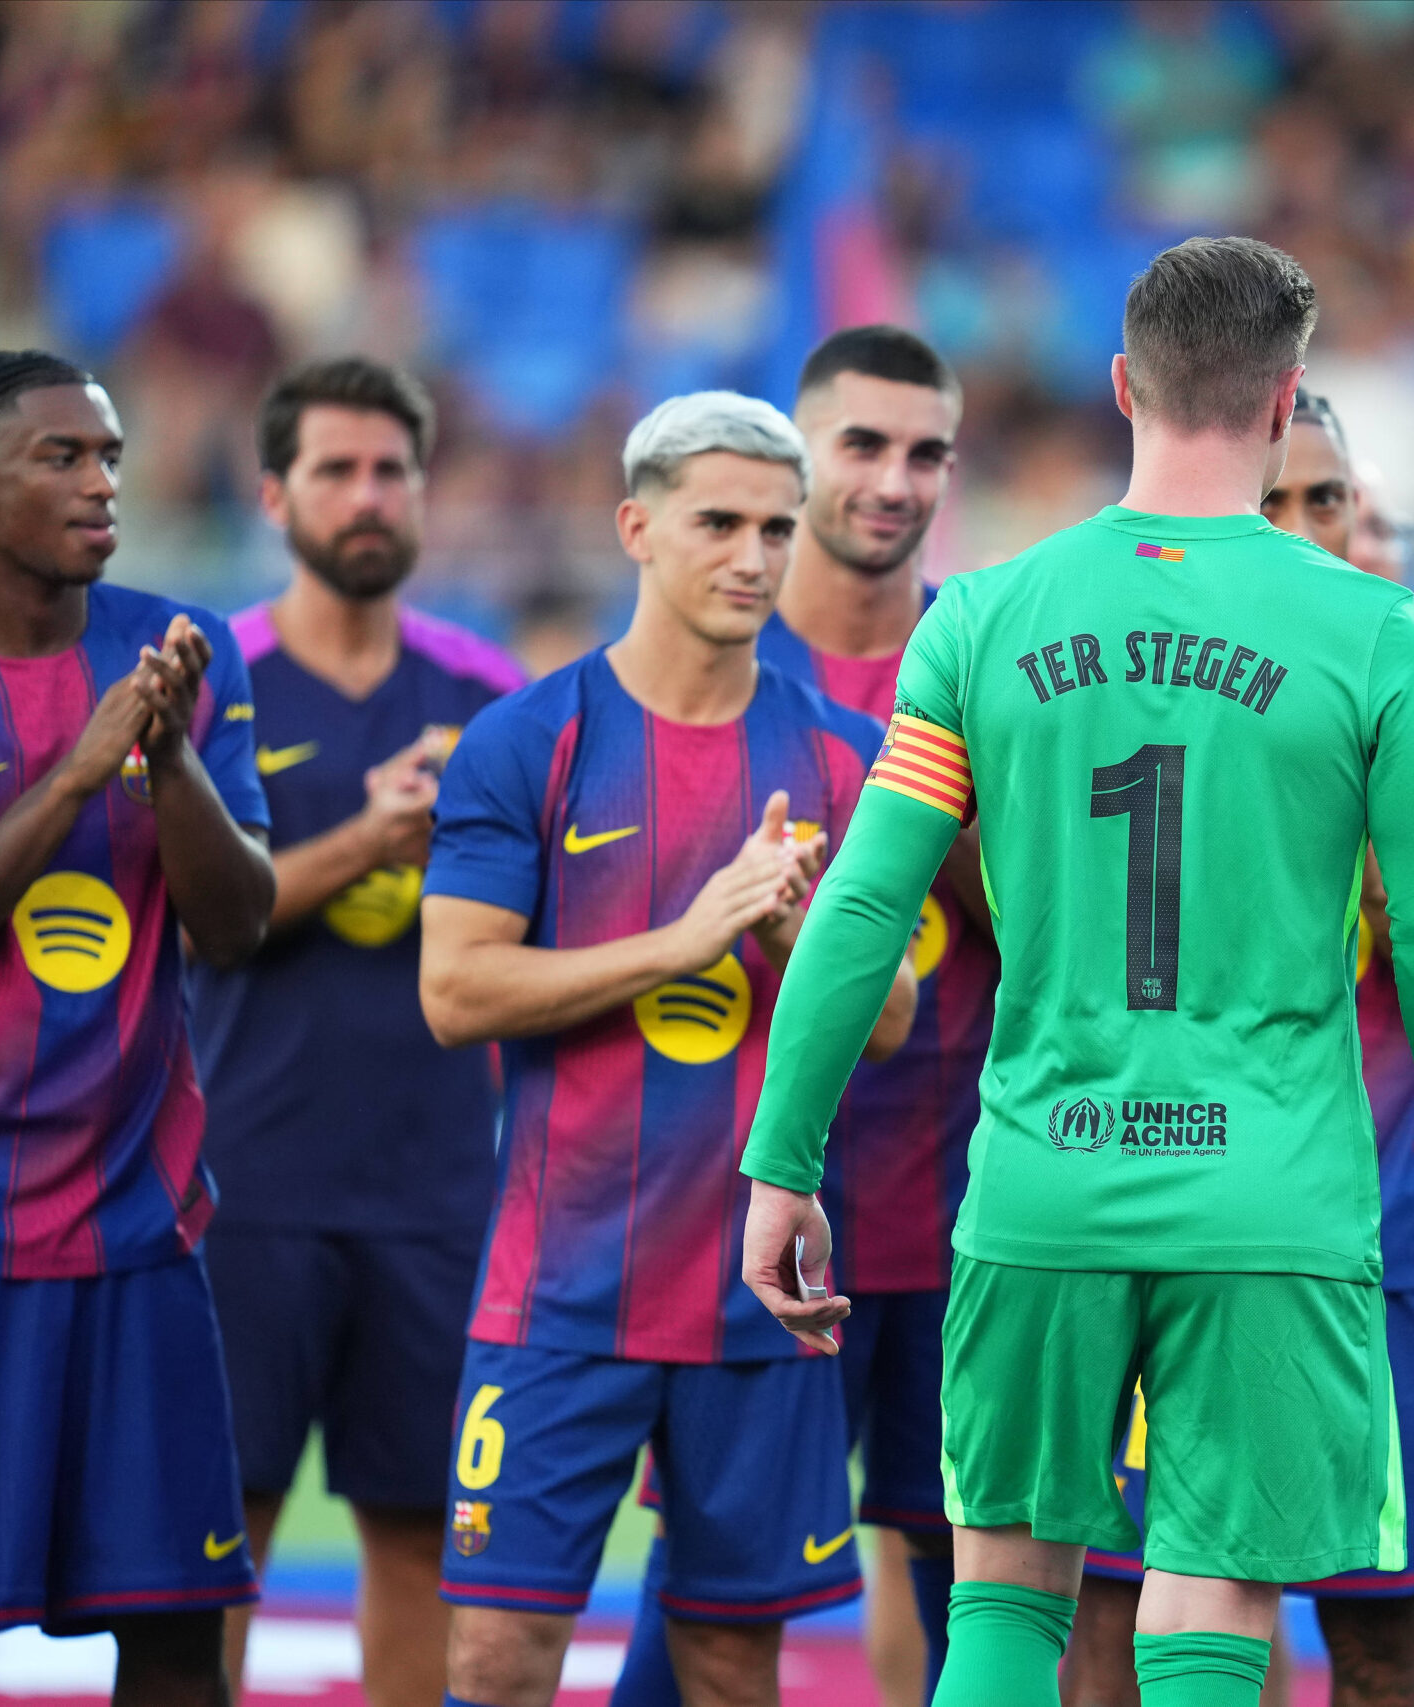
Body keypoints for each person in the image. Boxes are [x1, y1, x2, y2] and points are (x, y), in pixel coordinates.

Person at [736, 235, 1414, 1707]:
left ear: (1121, 387)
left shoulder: (977, 617)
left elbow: (858, 907)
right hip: (1271, 1193)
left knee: (1008, 1594)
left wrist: (783, 1161)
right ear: (1287, 402)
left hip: (1045, 1179)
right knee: (1213, 1591)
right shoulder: (1371, 628)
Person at [416, 390, 919, 1707]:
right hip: (561, 1291)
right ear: (637, 527)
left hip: (759, 1300)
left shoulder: (845, 756)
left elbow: (898, 1020)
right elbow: (456, 992)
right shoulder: (530, 739)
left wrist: (805, 943)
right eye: (718, 523)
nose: (754, 557)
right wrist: (684, 941)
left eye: (776, 527)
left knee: (726, 1660)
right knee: (496, 1653)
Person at [1065, 388, 1414, 1707]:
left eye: (1328, 501)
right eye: (1275, 501)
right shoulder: (1114, 686)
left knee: (1384, 1631)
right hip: (1147, 1213)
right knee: (1120, 1614)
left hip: (1366, 1238)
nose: (1304, 527)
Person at [0, 351, 275, 1705]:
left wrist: (165, 764)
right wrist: (74, 777)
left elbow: (237, 924)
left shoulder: (179, 653)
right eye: (63, 457)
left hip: (142, 1238)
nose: (104, 481)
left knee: (175, 1641)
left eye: (109, 454)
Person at [608, 326, 983, 1707]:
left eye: (926, 450)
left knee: (995, 1606)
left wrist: (933, 800)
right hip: (749, 1232)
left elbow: (1062, 933)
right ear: (798, 456)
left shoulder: (995, 657)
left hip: (968, 1227)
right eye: (862, 445)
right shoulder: (701, 674)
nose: (893, 480)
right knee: (708, 1607)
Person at [187, 358, 524, 1707]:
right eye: (335, 469)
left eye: (392, 469)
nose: (368, 495)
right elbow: (204, 920)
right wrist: (372, 841)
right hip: (244, 1185)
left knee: (428, 1538)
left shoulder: (486, 687)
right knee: (220, 1542)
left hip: (437, 1190)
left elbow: (529, 928)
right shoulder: (213, 677)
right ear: (273, 494)